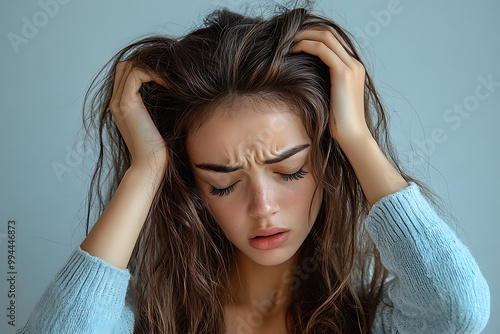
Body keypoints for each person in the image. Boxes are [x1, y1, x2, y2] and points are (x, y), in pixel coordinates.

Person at [17, 3, 490, 334]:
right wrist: (146, 169)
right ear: (193, 189)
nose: (263, 207)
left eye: (290, 171)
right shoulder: (149, 324)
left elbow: (458, 308)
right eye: (222, 184)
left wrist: (355, 136)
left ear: (326, 159)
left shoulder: (376, 323)